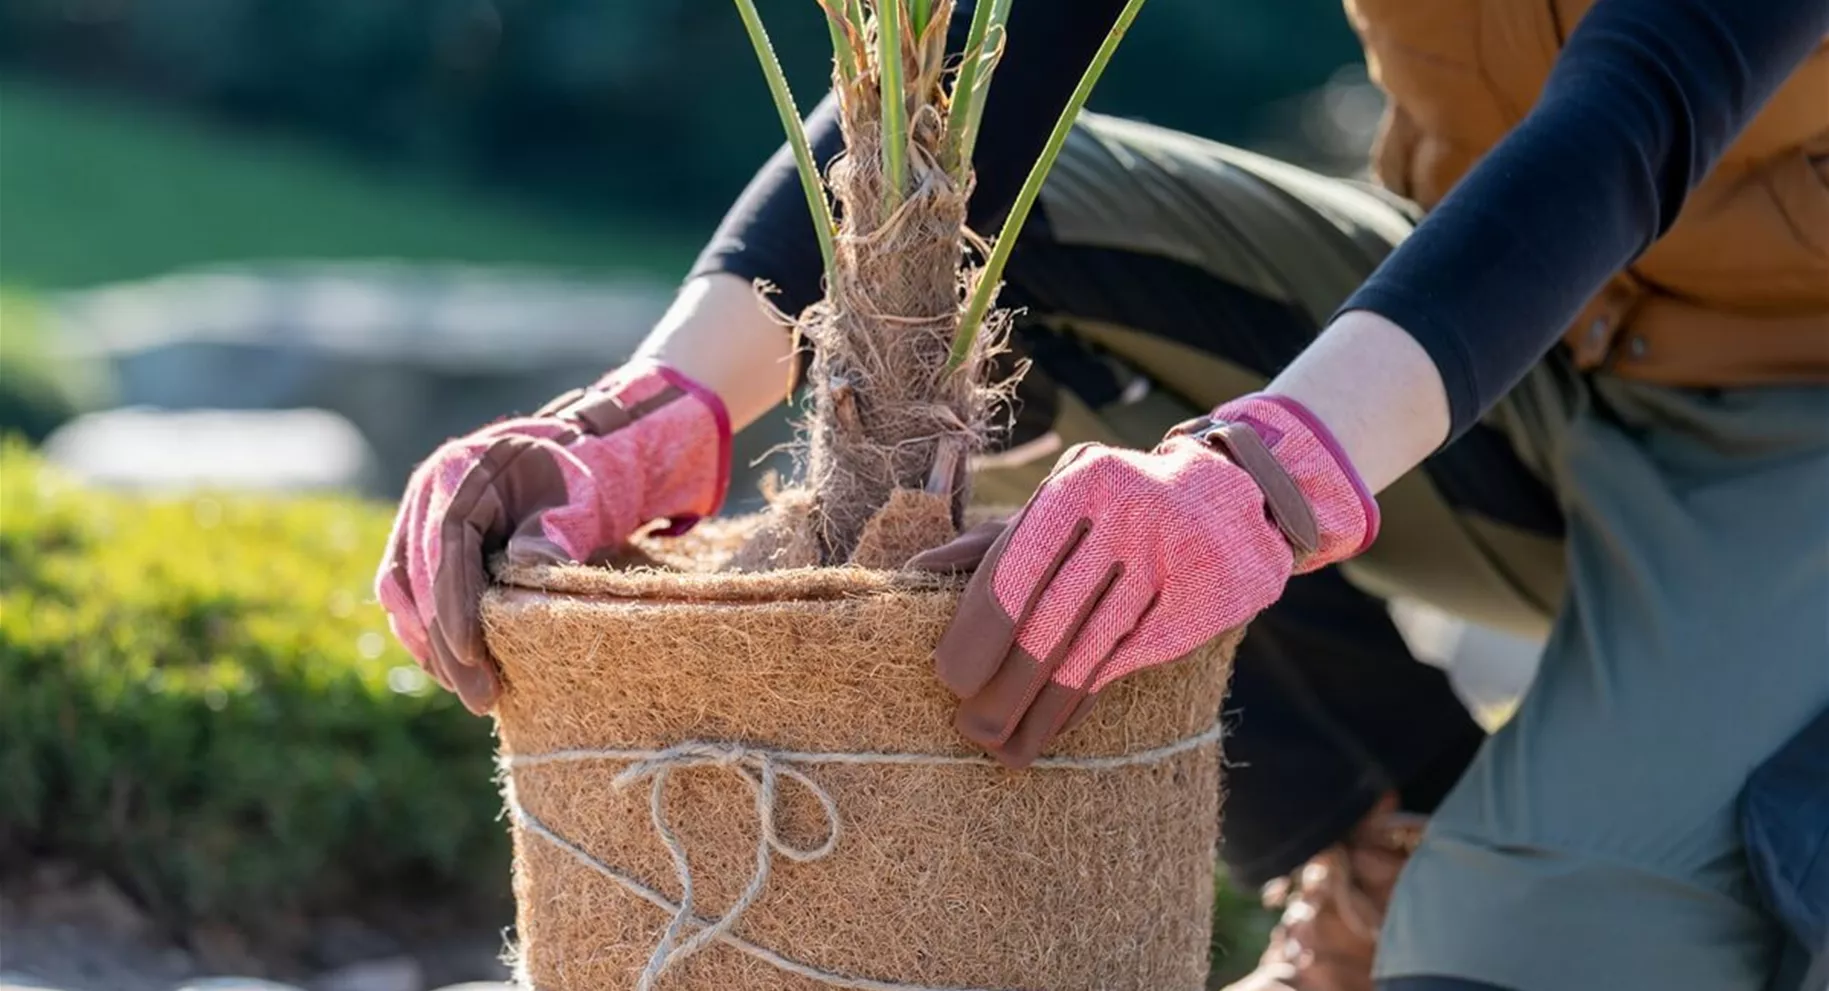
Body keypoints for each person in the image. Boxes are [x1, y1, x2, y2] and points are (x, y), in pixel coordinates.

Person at [375, 1, 1829, 988]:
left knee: (1516, 950)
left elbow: (1636, 112)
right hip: (1518, 343)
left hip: (1798, 408)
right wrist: (653, 410)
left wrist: (1254, 480)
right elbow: (978, 68)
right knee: (995, 253)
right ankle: (1389, 822)